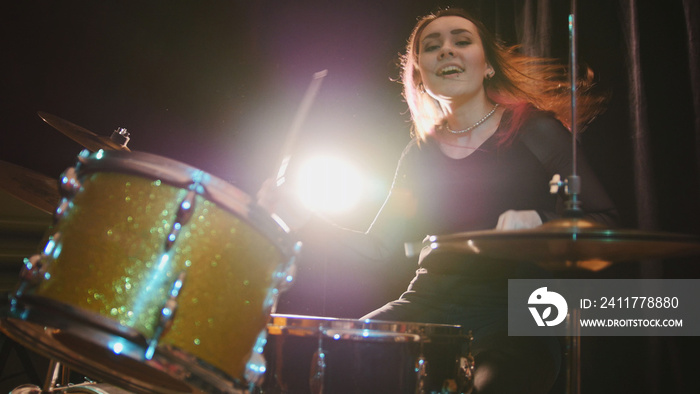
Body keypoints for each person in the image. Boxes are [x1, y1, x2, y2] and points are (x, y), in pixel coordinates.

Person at [263, 7, 618, 394]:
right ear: (420, 77)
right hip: (428, 300)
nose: (446, 50)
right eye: (432, 47)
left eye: (461, 41)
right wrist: (304, 220)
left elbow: (605, 219)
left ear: (487, 67)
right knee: (341, 361)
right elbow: (378, 246)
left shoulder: (535, 129)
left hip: (519, 308)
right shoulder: (418, 154)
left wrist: (541, 220)